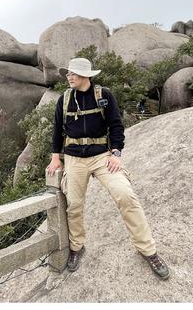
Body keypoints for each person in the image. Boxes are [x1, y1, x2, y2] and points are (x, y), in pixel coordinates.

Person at [45, 57, 170, 280]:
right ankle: (77, 247)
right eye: (68, 73)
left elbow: (116, 126)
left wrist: (116, 153)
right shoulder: (64, 100)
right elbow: (57, 131)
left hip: (102, 157)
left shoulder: (104, 95)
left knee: (126, 195)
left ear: (86, 76)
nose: (68, 76)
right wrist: (56, 158)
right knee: (74, 205)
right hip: (74, 159)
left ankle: (148, 250)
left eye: (73, 73)